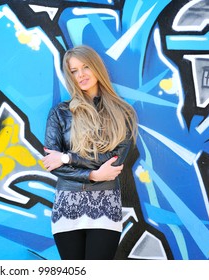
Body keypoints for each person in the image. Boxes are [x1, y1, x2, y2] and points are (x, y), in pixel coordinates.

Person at [43, 45, 138, 260]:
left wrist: (68, 158)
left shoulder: (122, 113)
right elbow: (52, 164)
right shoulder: (60, 113)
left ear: (96, 67)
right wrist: (92, 175)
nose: (81, 75)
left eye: (85, 67)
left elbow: (114, 162)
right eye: (74, 71)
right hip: (68, 207)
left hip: (105, 207)